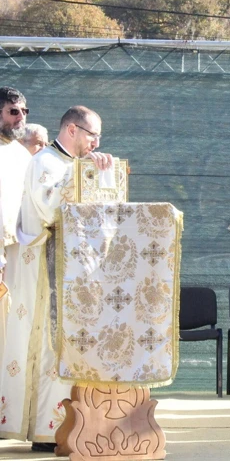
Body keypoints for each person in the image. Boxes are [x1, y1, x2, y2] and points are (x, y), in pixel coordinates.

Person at [0, 106, 113, 452]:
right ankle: (43, 429)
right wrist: (82, 172)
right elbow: (50, 210)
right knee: (45, 345)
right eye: (92, 135)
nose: (96, 143)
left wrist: (107, 178)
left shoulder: (71, 164)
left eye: (98, 137)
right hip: (42, 270)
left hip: (75, 271)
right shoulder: (44, 162)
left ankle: (72, 424)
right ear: (72, 130)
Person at [0, 87, 31, 385]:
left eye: (24, 111)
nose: (21, 117)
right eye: (13, 111)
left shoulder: (22, 155)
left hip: (13, 254)